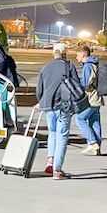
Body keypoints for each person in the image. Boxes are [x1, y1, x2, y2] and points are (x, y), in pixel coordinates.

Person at [36, 42, 83, 180]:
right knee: (62, 136)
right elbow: (76, 87)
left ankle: (50, 161)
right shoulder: (69, 67)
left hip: (48, 106)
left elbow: (39, 90)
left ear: (53, 53)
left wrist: (42, 102)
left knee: (52, 133)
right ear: (65, 53)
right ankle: (57, 170)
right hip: (64, 106)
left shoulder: (45, 68)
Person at [74, 44, 104, 155]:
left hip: (91, 98)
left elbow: (85, 84)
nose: (77, 58)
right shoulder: (95, 63)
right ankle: (97, 148)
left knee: (80, 119)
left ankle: (92, 143)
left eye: (77, 55)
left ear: (82, 55)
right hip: (97, 97)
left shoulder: (88, 66)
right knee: (94, 122)